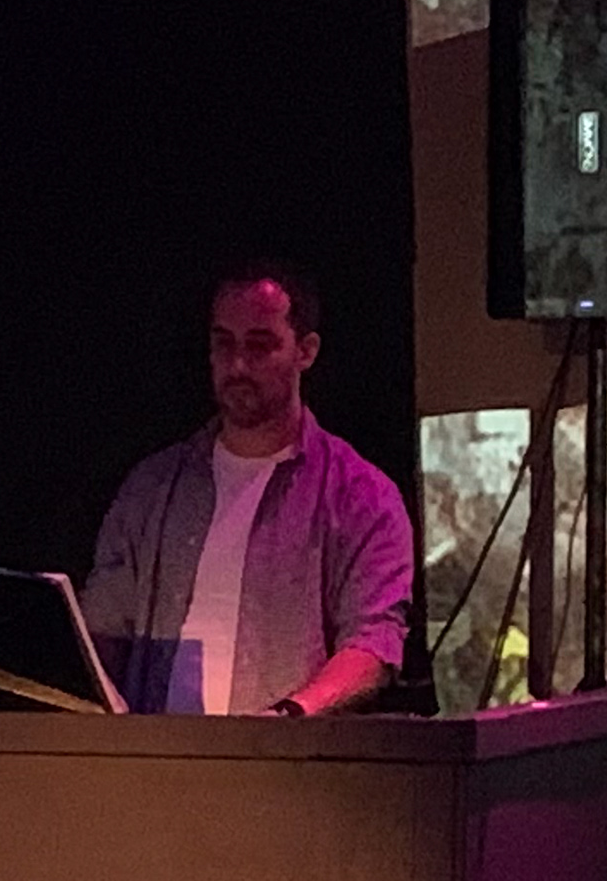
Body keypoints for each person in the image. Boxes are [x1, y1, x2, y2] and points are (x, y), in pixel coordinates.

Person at [83, 261, 411, 717]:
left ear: (306, 351)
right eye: (224, 343)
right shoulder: (151, 487)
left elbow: (373, 644)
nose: (237, 365)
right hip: (155, 754)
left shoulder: (362, 497)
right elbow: (101, 633)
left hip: (277, 757)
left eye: (259, 346)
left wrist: (286, 716)